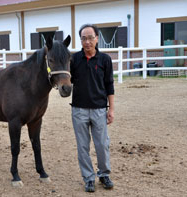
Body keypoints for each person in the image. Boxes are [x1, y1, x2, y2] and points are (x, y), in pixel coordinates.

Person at [70, 24, 115, 193]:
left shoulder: (105, 60)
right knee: (82, 146)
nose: (87, 41)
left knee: (102, 144)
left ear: (97, 38)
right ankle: (88, 178)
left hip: (99, 110)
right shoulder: (74, 60)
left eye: (90, 37)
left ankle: (104, 174)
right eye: (83, 38)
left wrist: (111, 109)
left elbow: (109, 85)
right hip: (79, 110)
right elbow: (67, 80)